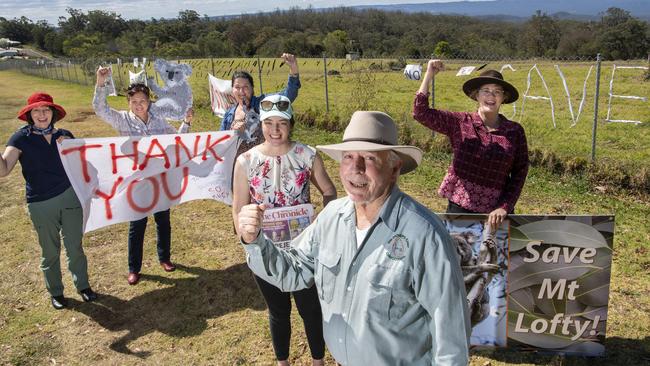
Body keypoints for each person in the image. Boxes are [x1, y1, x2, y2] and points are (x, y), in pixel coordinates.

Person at [238, 111, 471, 365]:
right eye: (348, 157)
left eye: (369, 158)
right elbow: (293, 271)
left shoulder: (425, 235)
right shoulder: (331, 218)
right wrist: (255, 240)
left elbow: (451, 338)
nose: (355, 169)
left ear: (394, 168)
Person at [232, 95, 337, 366]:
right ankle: (283, 362)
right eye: (269, 123)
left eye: (282, 123)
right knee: (278, 310)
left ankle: (318, 361)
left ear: (291, 124)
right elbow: (237, 208)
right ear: (262, 124)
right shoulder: (246, 161)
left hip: (305, 248)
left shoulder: (307, 155)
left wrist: (321, 219)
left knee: (311, 309)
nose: (275, 130)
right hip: (265, 248)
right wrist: (247, 236)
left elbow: (329, 191)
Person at [93, 67, 193, 285]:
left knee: (162, 221)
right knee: (137, 224)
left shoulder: (158, 121)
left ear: (149, 102)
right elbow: (100, 109)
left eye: (143, 101)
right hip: (136, 181)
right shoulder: (122, 120)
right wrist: (101, 83)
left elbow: (176, 142)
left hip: (159, 179)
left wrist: (186, 123)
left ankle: (164, 258)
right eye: (134, 102)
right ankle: (134, 268)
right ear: (129, 103)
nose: (139, 105)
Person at [1, 92, 98, 309]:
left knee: (75, 247)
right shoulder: (20, 138)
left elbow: (84, 165)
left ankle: (83, 286)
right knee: (50, 251)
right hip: (40, 203)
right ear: (30, 114)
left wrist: (72, 147)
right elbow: (4, 170)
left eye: (46, 109)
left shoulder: (65, 135)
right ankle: (56, 292)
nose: (42, 114)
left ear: (53, 113)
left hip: (70, 197)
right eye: (36, 110)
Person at [413, 60, 529, 228]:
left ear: (504, 98)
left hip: (497, 216)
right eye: (486, 91)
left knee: (496, 254)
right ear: (477, 95)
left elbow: (520, 172)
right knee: (459, 253)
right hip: (460, 210)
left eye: (497, 92)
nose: (491, 95)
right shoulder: (460, 122)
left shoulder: (515, 131)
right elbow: (420, 113)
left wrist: (505, 207)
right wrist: (429, 74)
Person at [220, 53, 300, 157]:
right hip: (238, 163)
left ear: (252, 88)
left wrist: (293, 68)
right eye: (237, 87)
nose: (241, 91)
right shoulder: (229, 114)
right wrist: (233, 132)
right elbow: (221, 141)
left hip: (262, 161)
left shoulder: (263, 103)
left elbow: (288, 95)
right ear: (232, 89)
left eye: (245, 87)